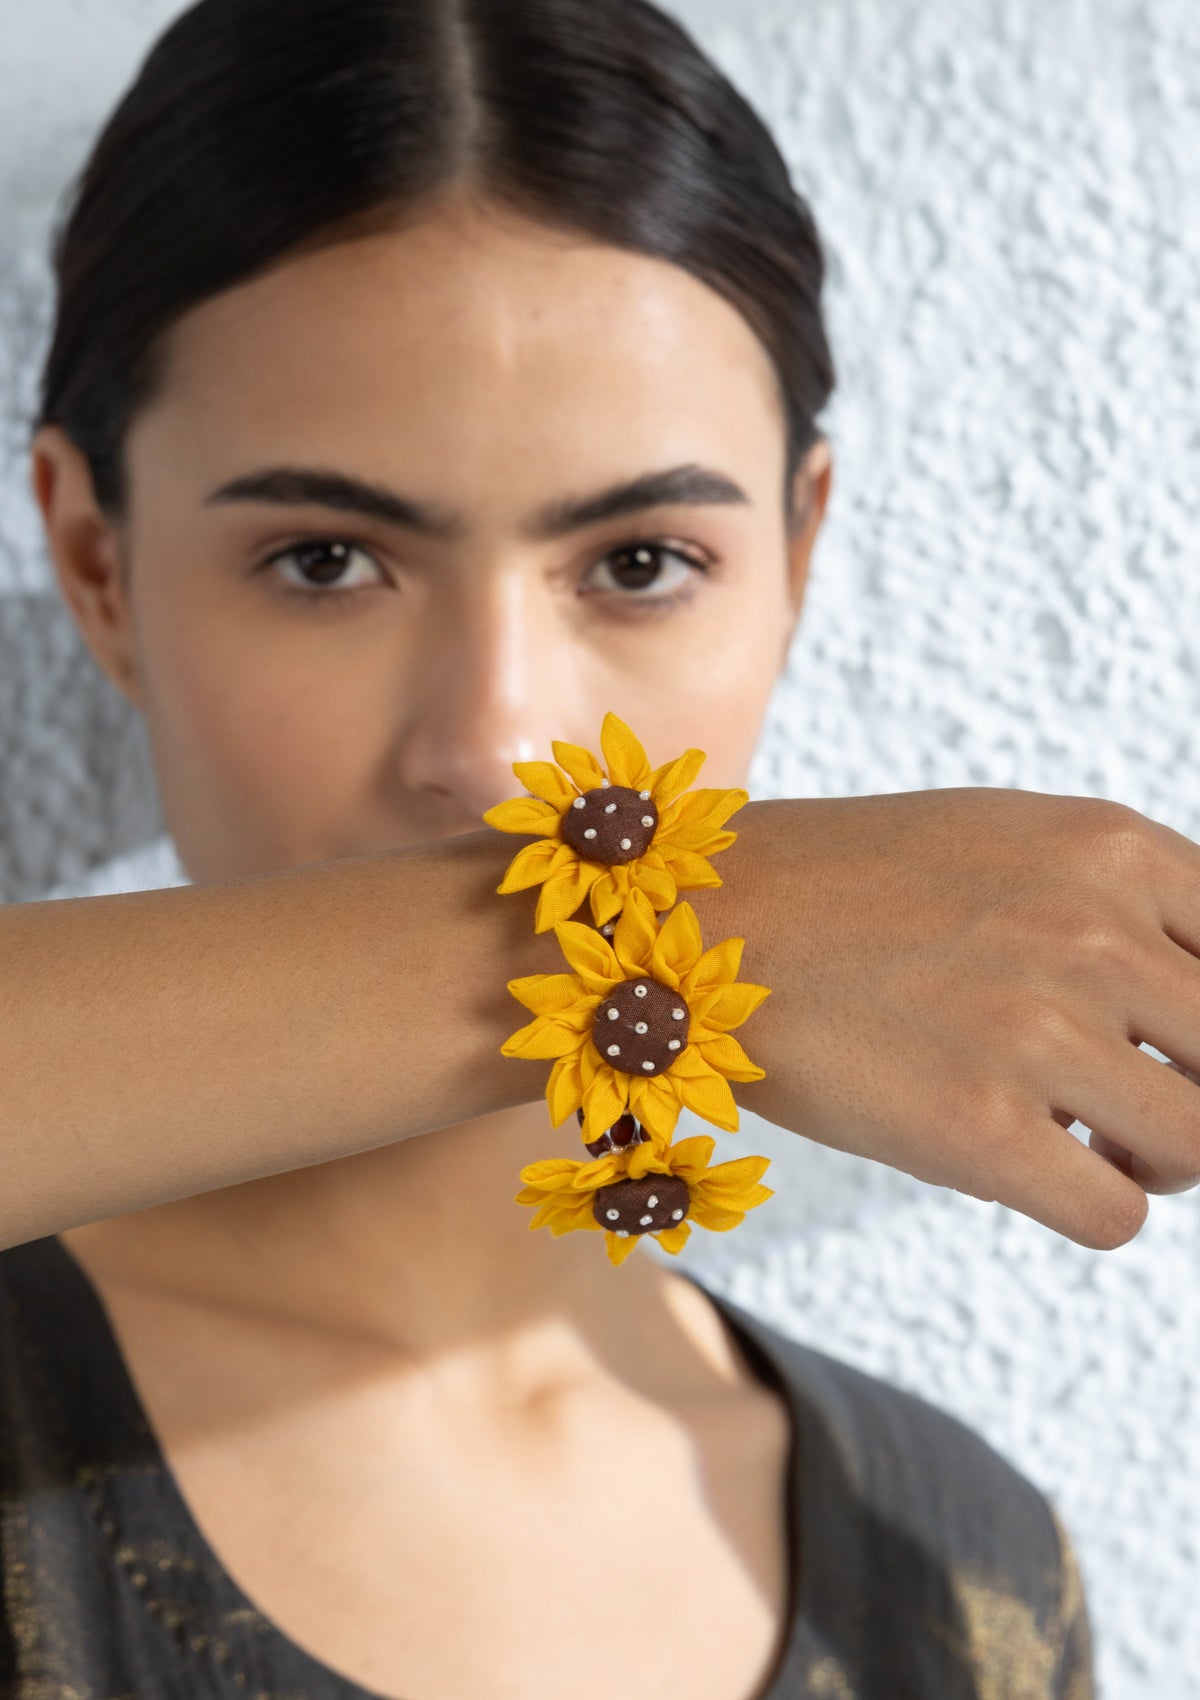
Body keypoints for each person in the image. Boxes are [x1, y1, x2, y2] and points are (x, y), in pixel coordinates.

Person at [17, 0, 1199, 1690]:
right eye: (326, 561)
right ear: (98, 562)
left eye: (639, 563)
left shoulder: (969, 1578)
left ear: (796, 555)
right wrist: (688, 926)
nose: (494, 748)